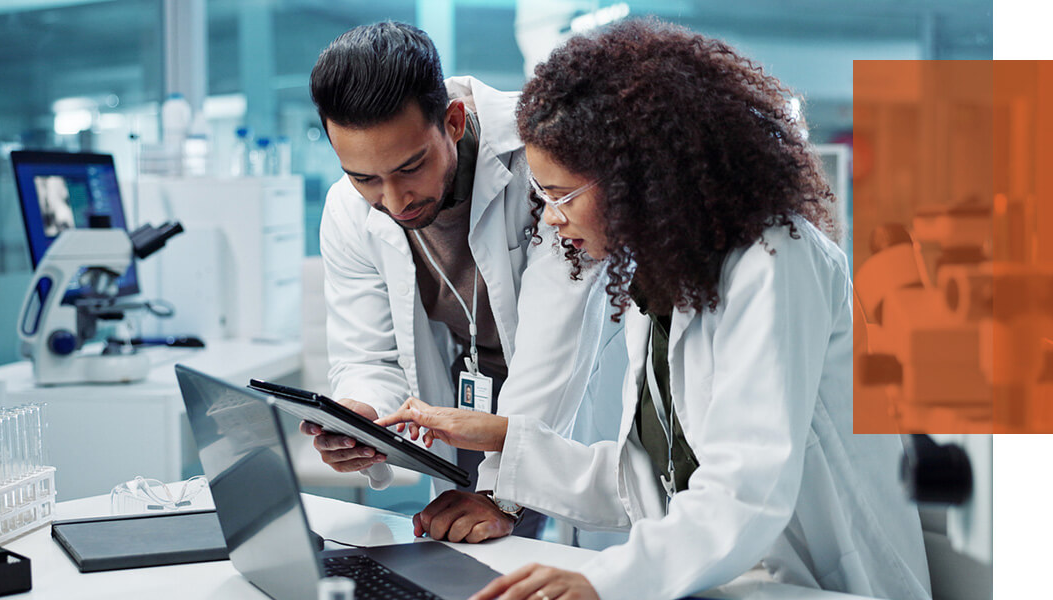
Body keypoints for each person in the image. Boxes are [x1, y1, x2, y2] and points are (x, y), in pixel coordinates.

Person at [377, 19, 932, 600]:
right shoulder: (659, 284)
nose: (548, 218)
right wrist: (504, 438)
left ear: (638, 181)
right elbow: (648, 486)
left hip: (821, 584)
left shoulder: (775, 258)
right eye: (541, 196)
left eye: (561, 195)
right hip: (733, 581)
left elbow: (743, 492)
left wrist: (602, 580)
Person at [304, 21, 624, 541]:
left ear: (453, 121)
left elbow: (556, 342)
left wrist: (501, 494)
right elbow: (368, 356)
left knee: (585, 555)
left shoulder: (543, 152)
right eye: (364, 177)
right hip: (473, 390)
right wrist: (360, 418)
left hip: (576, 384)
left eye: (410, 167)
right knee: (473, 556)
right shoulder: (347, 209)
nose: (393, 200)